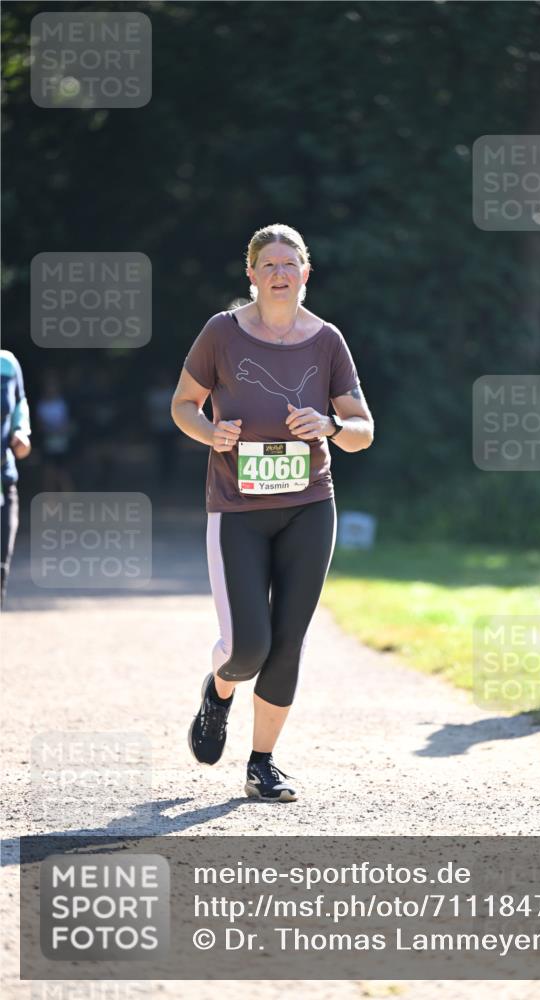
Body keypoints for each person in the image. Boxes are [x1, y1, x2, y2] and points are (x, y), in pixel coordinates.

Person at [171, 224, 374, 800]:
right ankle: (218, 692)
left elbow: (363, 430)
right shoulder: (221, 333)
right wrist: (211, 432)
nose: (280, 274)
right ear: (252, 275)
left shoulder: (327, 340)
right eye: (269, 265)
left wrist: (332, 426)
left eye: (290, 264)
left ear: (306, 274)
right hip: (237, 507)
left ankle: (262, 762)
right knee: (247, 648)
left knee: (289, 642)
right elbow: (183, 405)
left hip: (310, 505)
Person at [1, 349, 32, 606]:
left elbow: (20, 401)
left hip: (4, 480)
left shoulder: (8, 363)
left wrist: (22, 431)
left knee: (2, 566)